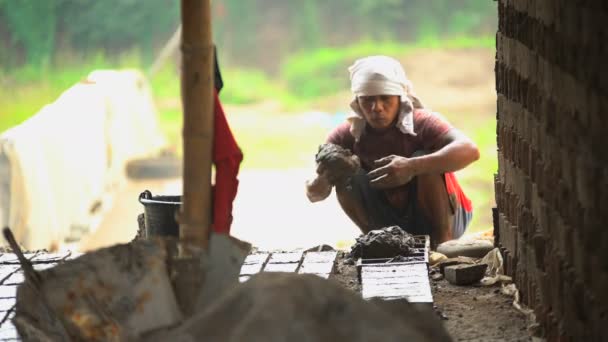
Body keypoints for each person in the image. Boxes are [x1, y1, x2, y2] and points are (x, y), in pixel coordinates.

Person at [306, 56, 479, 246]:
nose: (377, 108)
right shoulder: (345, 135)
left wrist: (412, 167)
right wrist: (321, 183)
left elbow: (470, 150)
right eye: (368, 100)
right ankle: (373, 241)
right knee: (343, 171)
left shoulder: (423, 122)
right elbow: (314, 193)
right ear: (357, 102)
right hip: (386, 223)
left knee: (423, 159)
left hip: (446, 218)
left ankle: (442, 242)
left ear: (399, 98)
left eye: (385, 98)